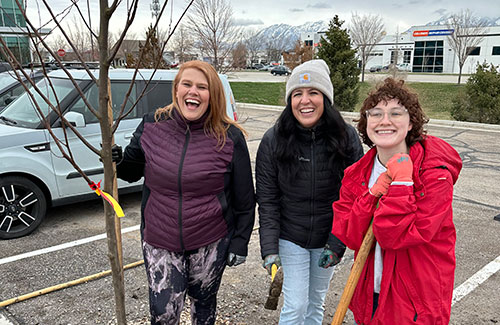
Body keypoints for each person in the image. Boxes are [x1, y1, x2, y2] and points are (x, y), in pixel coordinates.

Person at [114, 60, 255, 324]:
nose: (193, 92)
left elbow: (245, 199)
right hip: (160, 238)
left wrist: (240, 242)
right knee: (163, 312)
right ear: (176, 89)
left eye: (202, 87)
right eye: (187, 84)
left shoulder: (230, 137)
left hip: (210, 240)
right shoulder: (151, 126)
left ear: (212, 95)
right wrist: (115, 161)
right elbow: (130, 172)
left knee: (203, 306)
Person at [332, 78, 462, 324]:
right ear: (366, 123)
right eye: (376, 114)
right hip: (371, 290)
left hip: (414, 300)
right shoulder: (357, 174)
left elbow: (396, 237)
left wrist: (402, 184)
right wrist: (371, 196)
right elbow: (348, 235)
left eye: (395, 113)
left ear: (411, 122)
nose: (385, 121)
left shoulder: (435, 173)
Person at [256, 59, 363, 324]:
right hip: (290, 236)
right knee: (296, 304)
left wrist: (337, 244)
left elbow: (354, 197)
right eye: (297, 94)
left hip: (328, 237)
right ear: (289, 100)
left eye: (313, 92)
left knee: (316, 303)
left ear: (325, 98)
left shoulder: (346, 137)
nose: (305, 100)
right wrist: (269, 249)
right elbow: (268, 200)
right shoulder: (273, 140)